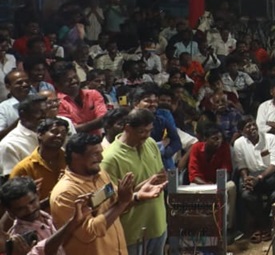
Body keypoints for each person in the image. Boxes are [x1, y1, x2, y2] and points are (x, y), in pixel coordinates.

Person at [50, 132, 166, 255]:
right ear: (76, 156)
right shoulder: (65, 193)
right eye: (95, 154)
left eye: (100, 153)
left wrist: (137, 196)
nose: (101, 158)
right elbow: (89, 232)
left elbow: (116, 203)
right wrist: (121, 203)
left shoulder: (101, 175)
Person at [100, 109, 169, 255]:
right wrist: (141, 189)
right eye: (141, 132)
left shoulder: (150, 143)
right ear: (127, 128)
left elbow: (161, 173)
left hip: (158, 226)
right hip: (131, 233)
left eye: (149, 131)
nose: (146, 135)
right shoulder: (109, 159)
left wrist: (161, 179)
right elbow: (109, 203)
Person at [0, 176, 89, 255]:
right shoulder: (20, 239)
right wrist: (72, 222)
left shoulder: (45, 216)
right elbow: (46, 250)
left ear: (38, 195)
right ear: (10, 212)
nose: (30, 210)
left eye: (32, 202)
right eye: (21, 209)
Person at [232, 115, 275, 244]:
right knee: (246, 195)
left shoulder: (270, 138)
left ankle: (261, 225)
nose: (252, 128)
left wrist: (260, 178)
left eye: (253, 124)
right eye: (248, 127)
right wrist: (246, 179)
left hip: (272, 174)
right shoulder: (238, 144)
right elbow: (242, 166)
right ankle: (264, 225)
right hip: (253, 176)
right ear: (241, 132)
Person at [10, 118, 69, 208]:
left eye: (63, 133)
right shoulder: (24, 168)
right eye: (54, 131)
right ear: (40, 134)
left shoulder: (71, 161)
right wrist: (52, 197)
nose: (60, 135)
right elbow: (15, 208)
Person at [53, 62, 108, 135]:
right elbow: (70, 130)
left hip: (97, 139)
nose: (74, 81)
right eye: (69, 80)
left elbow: (105, 118)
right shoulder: (58, 103)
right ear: (58, 85)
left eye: (75, 77)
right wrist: (98, 122)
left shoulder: (93, 94)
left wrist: (83, 127)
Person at [0, 95, 47, 176]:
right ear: (23, 115)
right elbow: (13, 180)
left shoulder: (52, 135)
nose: (44, 116)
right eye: (39, 112)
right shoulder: (10, 145)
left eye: (45, 112)